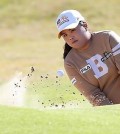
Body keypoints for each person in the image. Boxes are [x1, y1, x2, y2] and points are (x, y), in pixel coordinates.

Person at [56, 9, 120, 106]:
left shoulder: (108, 38)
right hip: (110, 111)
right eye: (65, 35)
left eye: (72, 30)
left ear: (85, 25)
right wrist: (111, 112)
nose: (70, 37)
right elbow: (93, 95)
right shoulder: (70, 63)